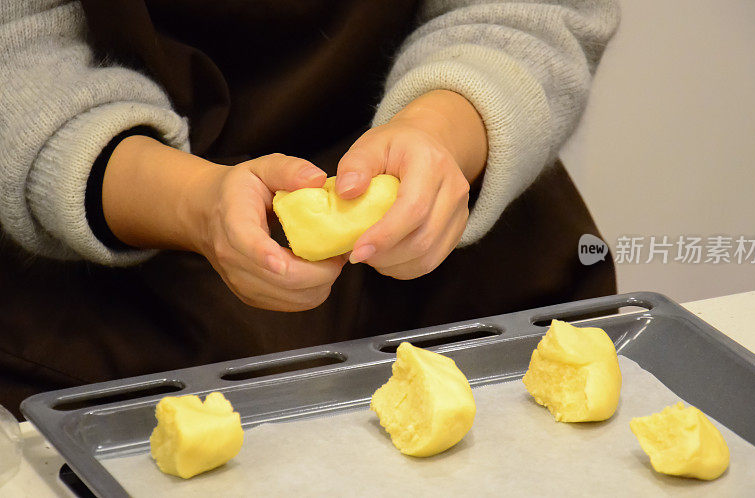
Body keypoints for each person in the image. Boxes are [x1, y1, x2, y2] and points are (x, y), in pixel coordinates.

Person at [0, 0, 619, 416]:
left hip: (472, 270)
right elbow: (15, 56)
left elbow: (535, 10)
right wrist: (194, 205)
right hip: (123, 299)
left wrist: (439, 131)